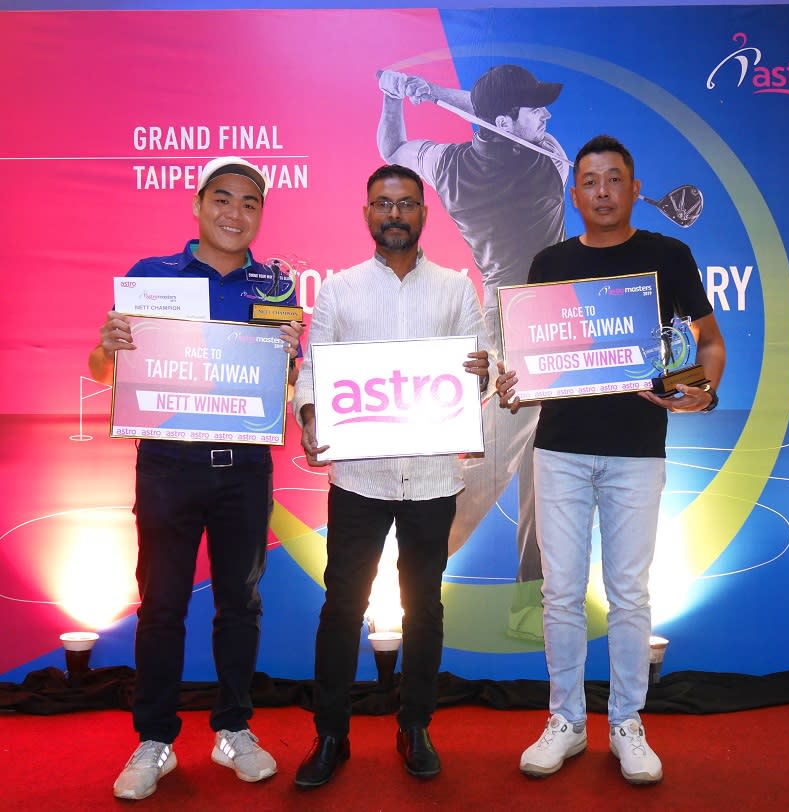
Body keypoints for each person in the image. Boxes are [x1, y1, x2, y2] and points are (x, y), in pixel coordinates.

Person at [497, 135, 725, 785]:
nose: (601, 190)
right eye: (590, 181)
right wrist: (515, 384)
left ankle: (627, 722)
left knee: (628, 594)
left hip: (637, 452)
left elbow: (707, 341)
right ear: (575, 194)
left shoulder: (667, 254)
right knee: (562, 594)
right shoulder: (549, 262)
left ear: (633, 187)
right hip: (561, 450)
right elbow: (528, 361)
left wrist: (702, 393)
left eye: (614, 179)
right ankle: (565, 721)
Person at [88, 157, 303, 800]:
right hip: (167, 467)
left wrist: (290, 359)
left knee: (241, 603)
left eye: (250, 203)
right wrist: (109, 344)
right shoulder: (151, 280)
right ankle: (155, 738)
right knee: (162, 606)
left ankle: (233, 727)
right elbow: (106, 373)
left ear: (261, 214)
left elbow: (283, 388)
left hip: (244, 468)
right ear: (198, 204)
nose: (235, 213)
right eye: (223, 199)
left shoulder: (276, 289)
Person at [292, 164, 490, 788]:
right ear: (367, 214)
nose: (395, 214)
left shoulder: (458, 290)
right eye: (383, 203)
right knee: (341, 606)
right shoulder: (341, 291)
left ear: (424, 213)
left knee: (424, 606)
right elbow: (313, 372)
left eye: (406, 203)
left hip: (433, 479)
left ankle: (415, 725)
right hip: (359, 479)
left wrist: (481, 373)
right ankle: (330, 734)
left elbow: (478, 373)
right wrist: (308, 413)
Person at [377, 64, 569, 641]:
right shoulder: (550, 162)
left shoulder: (450, 165)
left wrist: (399, 97)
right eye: (535, 109)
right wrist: (437, 93)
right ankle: (420, 566)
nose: (547, 117)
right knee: (495, 457)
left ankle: (530, 601)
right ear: (508, 120)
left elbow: (392, 146)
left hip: (503, 311)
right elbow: (492, 111)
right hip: (543, 318)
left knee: (543, 459)